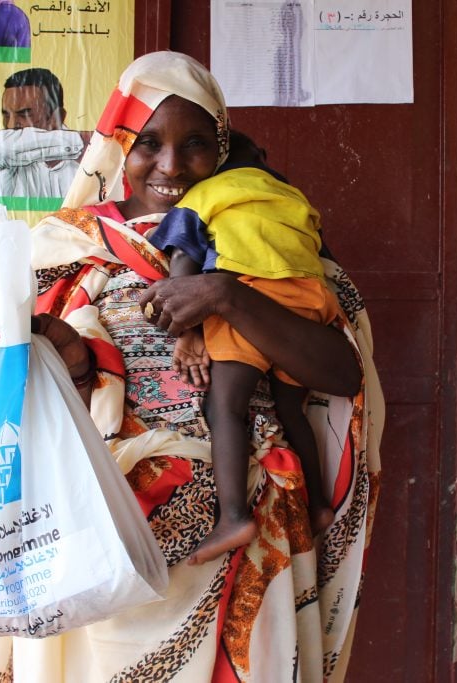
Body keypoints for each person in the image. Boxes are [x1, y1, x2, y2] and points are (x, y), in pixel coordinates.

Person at [0, 51, 385, 682]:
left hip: (253, 540)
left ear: (223, 149)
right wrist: (74, 357)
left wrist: (229, 295)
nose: (171, 166)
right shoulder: (71, 249)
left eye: (196, 144)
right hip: (111, 534)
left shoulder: (274, 244)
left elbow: (341, 376)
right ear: (118, 145)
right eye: (148, 143)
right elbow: (37, 408)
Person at [147, 130, 338, 565]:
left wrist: (189, 323)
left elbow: (184, 256)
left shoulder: (206, 193)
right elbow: (319, 247)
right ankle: (320, 505)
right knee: (293, 410)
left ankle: (233, 517)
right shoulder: (290, 194)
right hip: (308, 299)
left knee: (225, 407)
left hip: (247, 296)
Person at [0, 68, 87, 200]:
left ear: (56, 117)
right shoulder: (4, 159)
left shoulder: (89, 166)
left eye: (25, 114)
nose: (11, 125)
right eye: (6, 115)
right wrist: (83, 141)